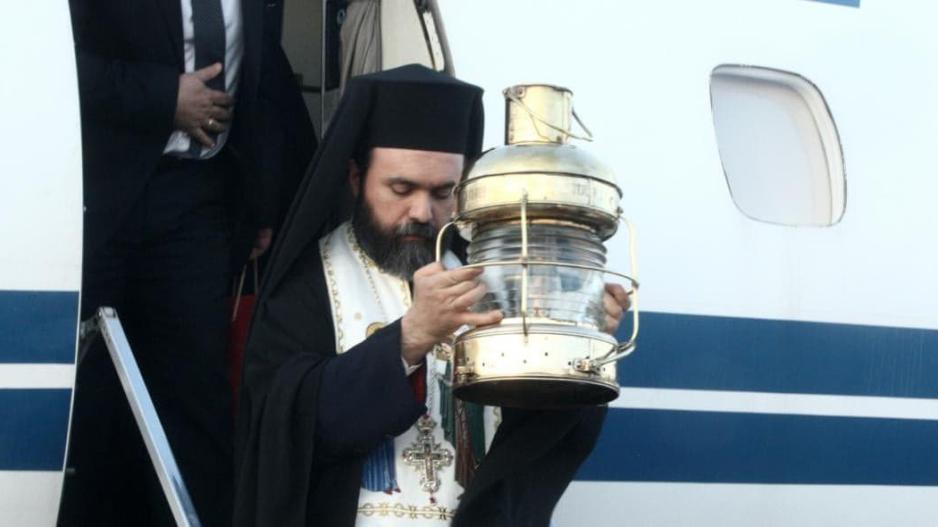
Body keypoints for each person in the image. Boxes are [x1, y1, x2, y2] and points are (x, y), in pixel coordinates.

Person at [233, 64, 631, 527]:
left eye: (444, 193)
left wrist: (577, 345)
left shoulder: (495, 281)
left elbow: (528, 451)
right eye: (401, 188)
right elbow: (285, 436)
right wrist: (408, 340)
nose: (422, 212)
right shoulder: (306, 286)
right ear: (356, 177)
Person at [60, 0, 315, 525]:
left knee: (197, 393)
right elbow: (53, 64)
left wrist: (260, 203)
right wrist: (165, 97)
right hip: (94, 204)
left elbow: (263, 79)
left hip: (198, 200)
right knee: (89, 393)